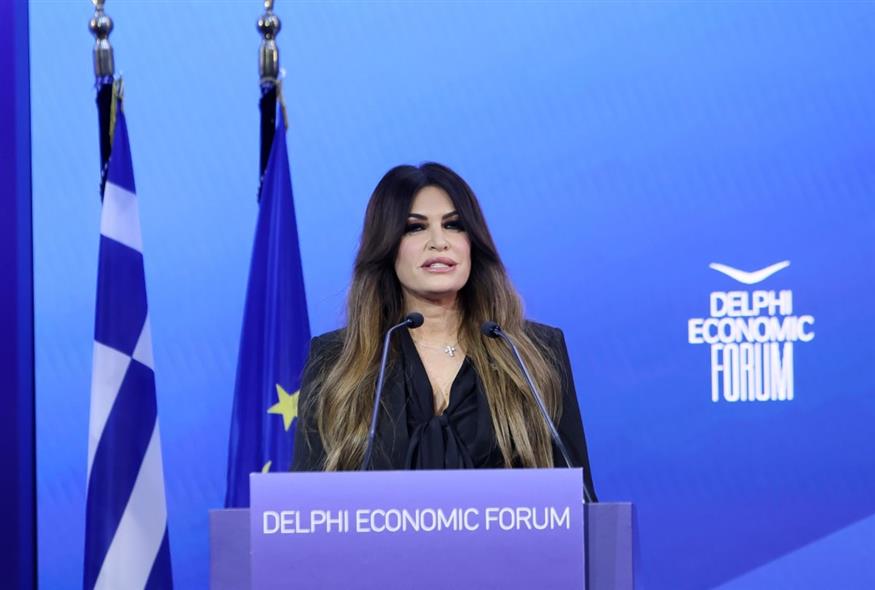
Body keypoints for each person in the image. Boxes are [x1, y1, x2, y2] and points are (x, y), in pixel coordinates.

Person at [292, 162, 597, 500]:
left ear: (473, 242)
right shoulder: (336, 361)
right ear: (386, 247)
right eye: (414, 228)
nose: (439, 242)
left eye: (454, 225)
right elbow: (306, 509)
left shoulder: (533, 352)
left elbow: (580, 500)